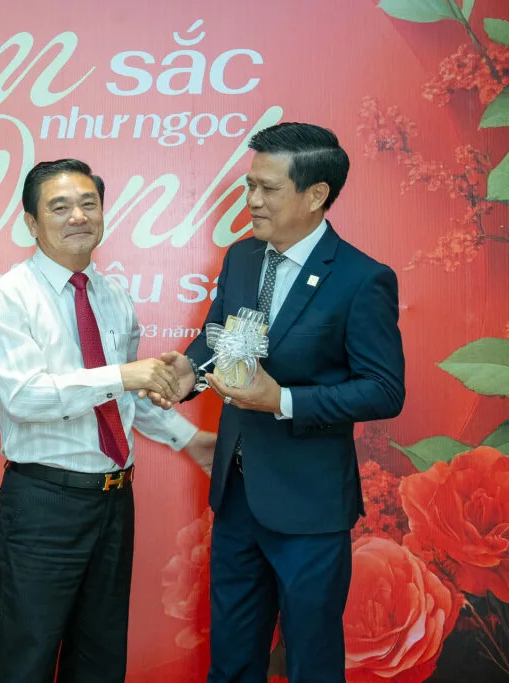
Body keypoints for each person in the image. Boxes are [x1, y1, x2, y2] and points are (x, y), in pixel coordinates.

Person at [158, 123, 406, 682]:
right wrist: (187, 373)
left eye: (267, 189)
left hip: (309, 508)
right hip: (236, 497)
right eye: (250, 185)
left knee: (311, 665)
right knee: (231, 663)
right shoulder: (242, 258)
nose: (252, 200)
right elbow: (216, 339)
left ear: (315, 194)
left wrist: (283, 399)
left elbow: (385, 389)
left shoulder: (362, 279)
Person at [0, 158, 217, 683]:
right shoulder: (9, 298)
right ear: (32, 222)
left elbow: (123, 398)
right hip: (44, 503)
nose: (78, 216)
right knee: (26, 659)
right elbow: (24, 397)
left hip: (114, 500)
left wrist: (189, 438)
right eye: (60, 207)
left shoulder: (111, 295)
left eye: (89, 204)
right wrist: (122, 374)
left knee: (100, 659)